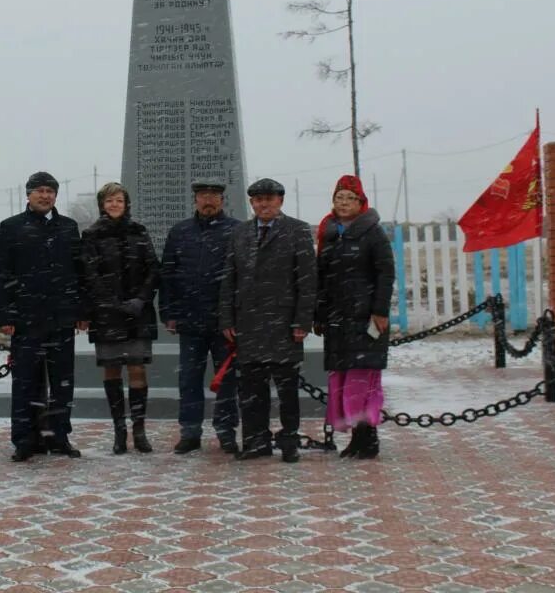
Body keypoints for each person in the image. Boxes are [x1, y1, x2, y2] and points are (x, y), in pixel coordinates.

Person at [0, 171, 89, 462]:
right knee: (26, 382)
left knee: (62, 381)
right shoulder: (11, 228)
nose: (45, 196)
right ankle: (25, 439)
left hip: (61, 319)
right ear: (29, 194)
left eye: (50, 191)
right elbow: (1, 274)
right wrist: (5, 315)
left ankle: (58, 436)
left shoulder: (69, 228)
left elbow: (79, 272)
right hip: (26, 319)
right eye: (39, 190)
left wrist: (81, 311)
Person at [219, 178, 316, 463]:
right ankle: (255, 440)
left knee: (287, 389)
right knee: (251, 390)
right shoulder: (240, 232)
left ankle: (289, 440)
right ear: (252, 203)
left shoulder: (297, 230)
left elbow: (308, 280)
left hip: (284, 324)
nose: (264, 204)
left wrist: (302, 321)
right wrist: (226, 318)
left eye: (269, 199)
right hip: (248, 323)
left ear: (280, 202)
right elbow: (229, 278)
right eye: (258, 200)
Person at [314, 175, 396, 459]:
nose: (344, 203)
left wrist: (379, 310)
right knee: (344, 378)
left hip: (365, 318)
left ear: (361, 203)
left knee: (362, 378)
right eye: (339, 198)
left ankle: (368, 438)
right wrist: (320, 312)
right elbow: (321, 277)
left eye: (350, 198)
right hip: (338, 318)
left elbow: (385, 273)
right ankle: (356, 438)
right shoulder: (328, 233)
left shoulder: (373, 233)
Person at [160, 180, 242, 455]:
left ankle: (226, 431)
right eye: (203, 195)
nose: (208, 200)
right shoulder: (180, 232)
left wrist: (236, 316)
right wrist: (169, 312)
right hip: (190, 319)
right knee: (189, 379)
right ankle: (190, 432)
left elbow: (242, 277)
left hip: (224, 323)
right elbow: (168, 274)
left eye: (214, 196)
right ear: (195, 199)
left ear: (222, 200)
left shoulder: (236, 230)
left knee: (227, 379)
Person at [81, 182, 160, 455]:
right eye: (109, 200)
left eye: (119, 200)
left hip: (138, 312)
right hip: (107, 314)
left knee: (137, 369)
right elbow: (89, 274)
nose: (114, 205)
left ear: (126, 204)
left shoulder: (139, 232)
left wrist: (141, 299)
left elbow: (153, 269)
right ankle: (119, 430)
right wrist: (111, 303)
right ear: (102, 204)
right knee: (112, 368)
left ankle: (139, 429)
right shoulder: (91, 235)